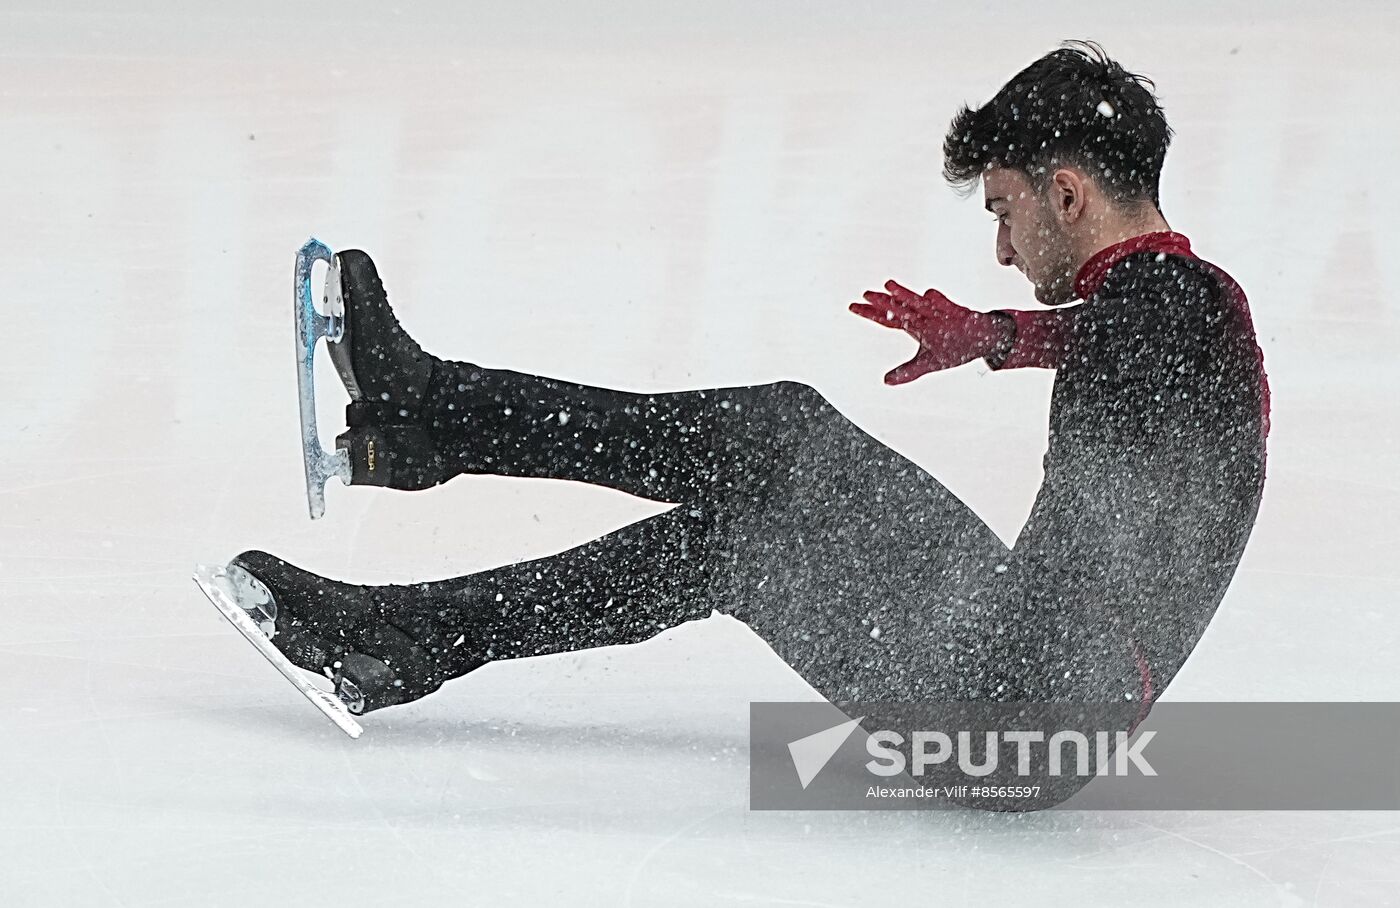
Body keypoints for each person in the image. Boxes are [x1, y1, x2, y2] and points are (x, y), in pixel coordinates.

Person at [232, 41, 1268, 753]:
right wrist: (1001, 337)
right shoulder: (1161, 313)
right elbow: (1131, 357)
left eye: (1003, 209)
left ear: (1068, 194)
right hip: (1021, 707)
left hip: (1034, 688)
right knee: (736, 534)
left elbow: (1139, 341)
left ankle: (429, 411)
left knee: (783, 430)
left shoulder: (1185, 301)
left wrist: (988, 335)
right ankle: (401, 634)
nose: (1001, 245)